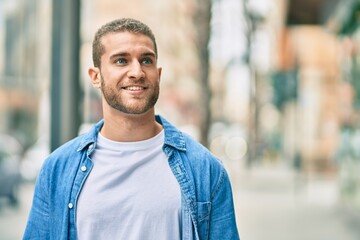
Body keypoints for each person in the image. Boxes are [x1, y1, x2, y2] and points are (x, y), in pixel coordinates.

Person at [23, 18, 240, 240]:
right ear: (95, 76)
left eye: (146, 60)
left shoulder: (205, 169)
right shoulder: (57, 169)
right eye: (121, 61)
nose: (137, 71)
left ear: (159, 74)